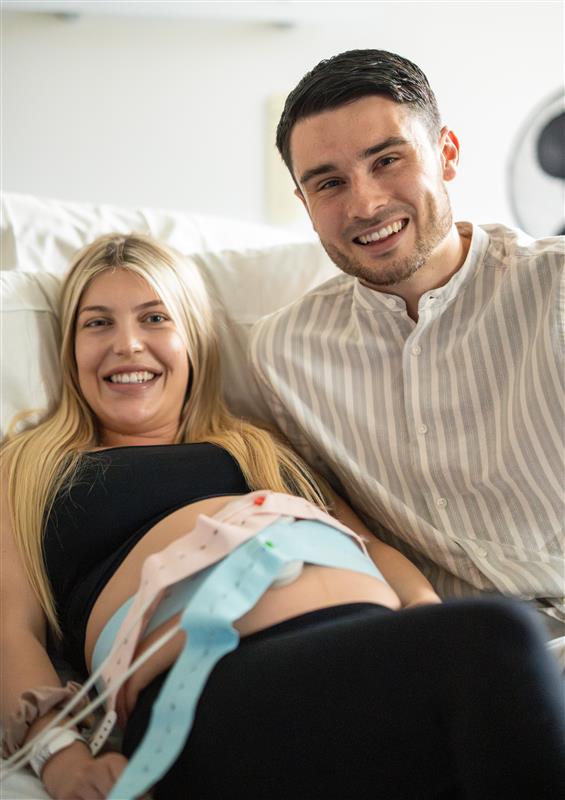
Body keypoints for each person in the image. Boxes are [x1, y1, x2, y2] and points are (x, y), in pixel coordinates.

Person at [1, 233, 564, 800]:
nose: (127, 344)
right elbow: (9, 627)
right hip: (210, 686)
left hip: (374, 653)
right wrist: (60, 757)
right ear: (69, 347)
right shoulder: (31, 466)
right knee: (500, 637)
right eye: (97, 323)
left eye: (154, 318)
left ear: (194, 339)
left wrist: (420, 617)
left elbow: (375, 550)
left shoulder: (258, 447)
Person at [250, 48, 565, 647]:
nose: (364, 204)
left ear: (446, 154)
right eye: (329, 183)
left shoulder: (557, 289)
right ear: (305, 204)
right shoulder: (283, 355)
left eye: (387, 160)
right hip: (450, 663)